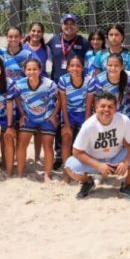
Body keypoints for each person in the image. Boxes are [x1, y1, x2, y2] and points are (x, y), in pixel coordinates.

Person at [64, 91, 130, 201]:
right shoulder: (88, 125)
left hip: (116, 158)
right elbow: (76, 151)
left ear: (116, 108)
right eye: (102, 106)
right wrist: (98, 165)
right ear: (95, 108)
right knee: (69, 166)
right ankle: (87, 182)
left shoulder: (123, 120)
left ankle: (127, 186)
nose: (106, 109)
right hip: (95, 160)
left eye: (110, 106)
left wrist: (126, 162)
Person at [48, 13, 90, 170]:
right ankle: (59, 155)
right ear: (61, 25)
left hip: (77, 88)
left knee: (78, 123)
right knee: (60, 122)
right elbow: (39, 46)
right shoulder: (53, 40)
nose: (69, 26)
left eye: (73, 23)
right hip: (58, 87)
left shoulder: (83, 42)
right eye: (66, 23)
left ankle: (76, 153)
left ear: (77, 26)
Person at [15, 58, 59, 181]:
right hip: (29, 117)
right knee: (22, 143)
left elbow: (60, 98)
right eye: (28, 69)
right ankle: (20, 173)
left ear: (40, 70)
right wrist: (22, 113)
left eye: (35, 69)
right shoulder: (19, 85)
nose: (32, 72)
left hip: (46, 118)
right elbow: (16, 97)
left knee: (48, 145)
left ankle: (47, 174)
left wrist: (54, 114)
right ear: (24, 71)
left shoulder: (49, 84)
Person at [57, 55, 92, 166]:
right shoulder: (63, 80)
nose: (75, 68)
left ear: (83, 68)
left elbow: (89, 105)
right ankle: (67, 169)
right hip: (69, 114)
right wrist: (67, 124)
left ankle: (83, 167)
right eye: (72, 66)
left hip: (84, 113)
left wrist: (86, 124)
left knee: (84, 141)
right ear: (68, 68)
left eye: (78, 66)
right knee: (66, 138)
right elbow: (63, 103)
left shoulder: (89, 80)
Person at [87, 53, 130, 121]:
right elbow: (96, 102)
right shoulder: (99, 80)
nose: (113, 68)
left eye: (116, 65)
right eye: (110, 65)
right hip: (106, 112)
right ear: (106, 66)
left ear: (122, 66)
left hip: (125, 113)